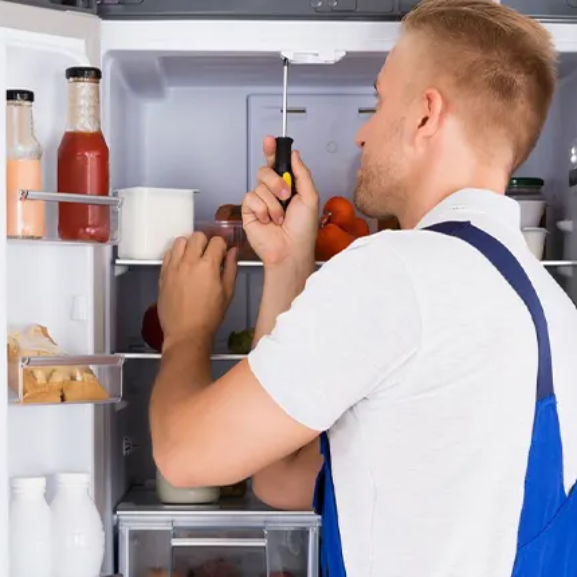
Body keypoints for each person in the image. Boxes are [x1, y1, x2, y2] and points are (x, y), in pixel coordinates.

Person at [149, 0, 577, 575]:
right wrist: (287, 263)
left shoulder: (398, 271)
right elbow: (283, 480)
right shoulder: (550, 307)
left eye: (378, 101)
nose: (360, 133)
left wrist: (187, 330)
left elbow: (184, 456)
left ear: (427, 115)